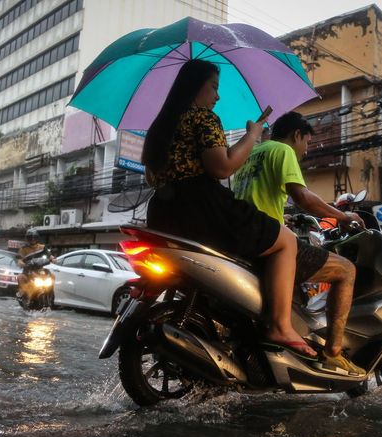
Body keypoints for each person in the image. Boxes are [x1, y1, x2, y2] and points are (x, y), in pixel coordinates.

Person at [143, 59, 316, 359]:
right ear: (196, 86)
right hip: (204, 209)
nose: (217, 96)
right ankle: (279, 326)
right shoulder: (203, 119)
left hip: (162, 211)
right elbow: (222, 167)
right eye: (214, 87)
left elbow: (151, 176)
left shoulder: (160, 126)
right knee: (286, 240)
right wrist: (252, 135)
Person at [233, 111, 366, 375]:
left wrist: (285, 220)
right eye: (306, 143)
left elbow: (257, 199)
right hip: (268, 242)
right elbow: (303, 196)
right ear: (296, 135)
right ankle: (333, 353)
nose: (305, 151)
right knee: (346, 270)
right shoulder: (283, 151)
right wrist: (343, 215)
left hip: (245, 237)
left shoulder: (250, 155)